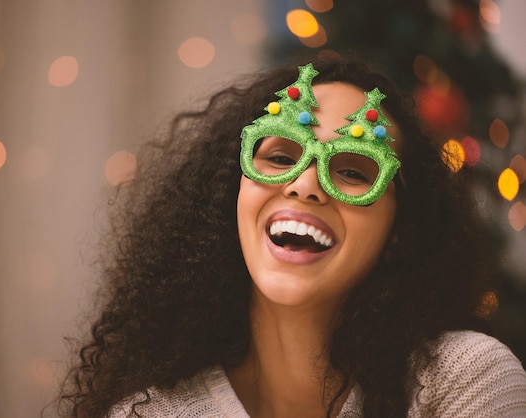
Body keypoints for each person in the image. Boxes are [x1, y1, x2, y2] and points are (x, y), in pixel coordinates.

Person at [57, 53, 526, 417]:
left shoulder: (465, 381)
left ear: (401, 231)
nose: (304, 183)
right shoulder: (146, 411)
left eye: (352, 170)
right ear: (231, 194)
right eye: (281, 157)